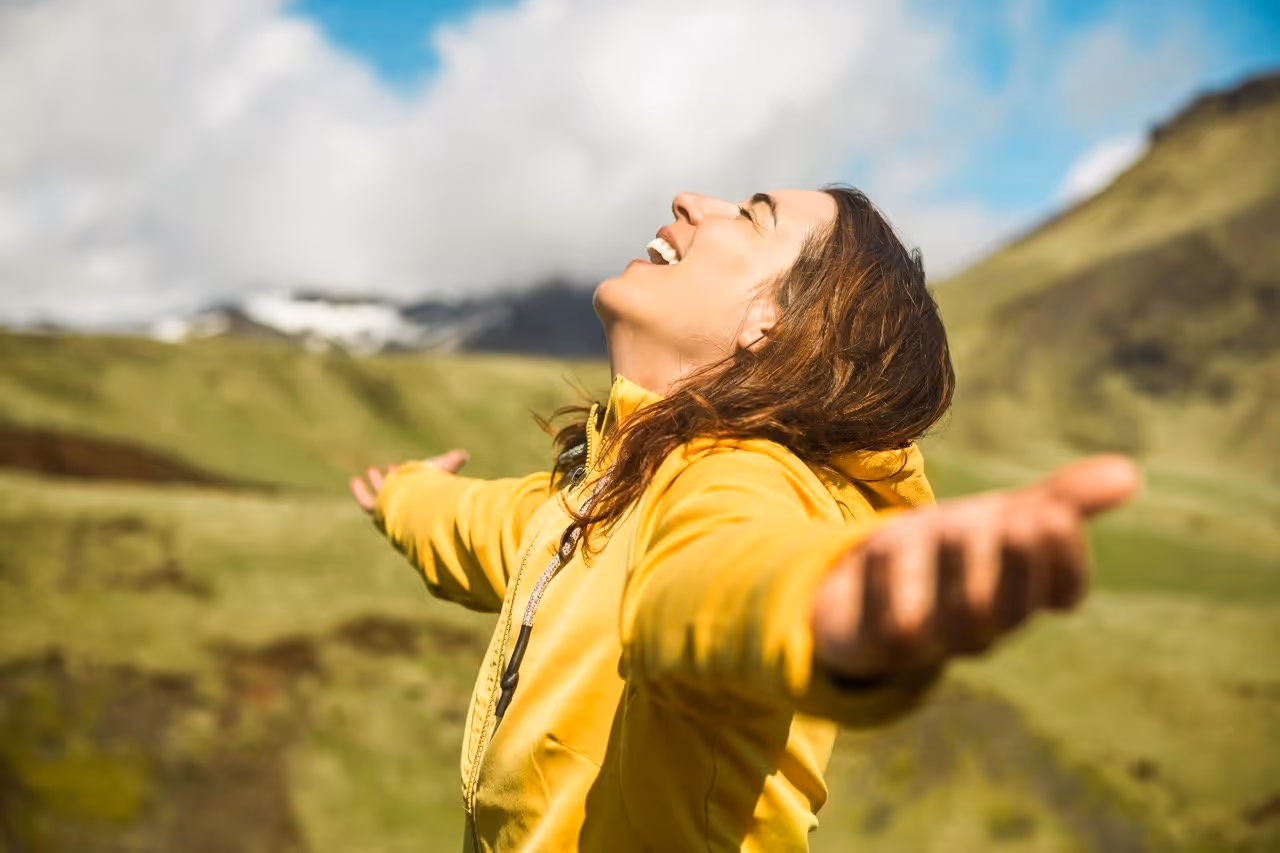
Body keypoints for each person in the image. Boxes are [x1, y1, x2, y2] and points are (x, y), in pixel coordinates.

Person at [349, 186, 1139, 851]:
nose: (691, 201)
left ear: (775, 322)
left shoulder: (737, 476)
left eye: (755, 215)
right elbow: (486, 525)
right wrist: (404, 494)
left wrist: (836, 606)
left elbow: (721, 580)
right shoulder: (601, 492)